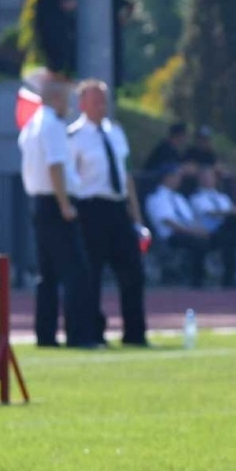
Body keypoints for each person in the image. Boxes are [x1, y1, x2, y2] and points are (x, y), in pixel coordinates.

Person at [68, 79, 149, 346]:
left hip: (117, 208)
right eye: (96, 101)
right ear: (82, 104)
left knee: (133, 270)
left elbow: (125, 176)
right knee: (92, 273)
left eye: (104, 100)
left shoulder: (115, 132)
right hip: (91, 208)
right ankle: (94, 332)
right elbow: (70, 178)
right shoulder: (74, 136)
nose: (102, 106)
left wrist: (137, 218)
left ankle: (135, 333)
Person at [19, 79, 95, 348]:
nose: (70, 105)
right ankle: (79, 335)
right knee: (75, 271)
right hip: (55, 203)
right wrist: (65, 204)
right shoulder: (51, 125)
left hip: (40, 202)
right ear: (56, 98)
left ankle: (46, 334)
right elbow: (55, 166)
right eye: (66, 98)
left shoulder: (32, 124)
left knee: (47, 274)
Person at [190, 164, 236, 289]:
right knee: (229, 233)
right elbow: (210, 213)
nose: (208, 180)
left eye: (210, 177)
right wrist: (232, 212)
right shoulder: (197, 198)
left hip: (232, 231)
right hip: (213, 233)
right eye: (204, 177)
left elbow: (231, 212)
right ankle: (229, 278)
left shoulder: (222, 197)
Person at [143, 161, 211, 287]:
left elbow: (190, 218)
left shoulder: (179, 198)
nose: (179, 180)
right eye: (176, 176)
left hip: (187, 232)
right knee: (197, 243)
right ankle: (197, 281)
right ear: (167, 177)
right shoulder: (156, 197)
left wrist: (200, 229)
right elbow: (168, 222)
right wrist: (192, 232)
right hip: (171, 236)